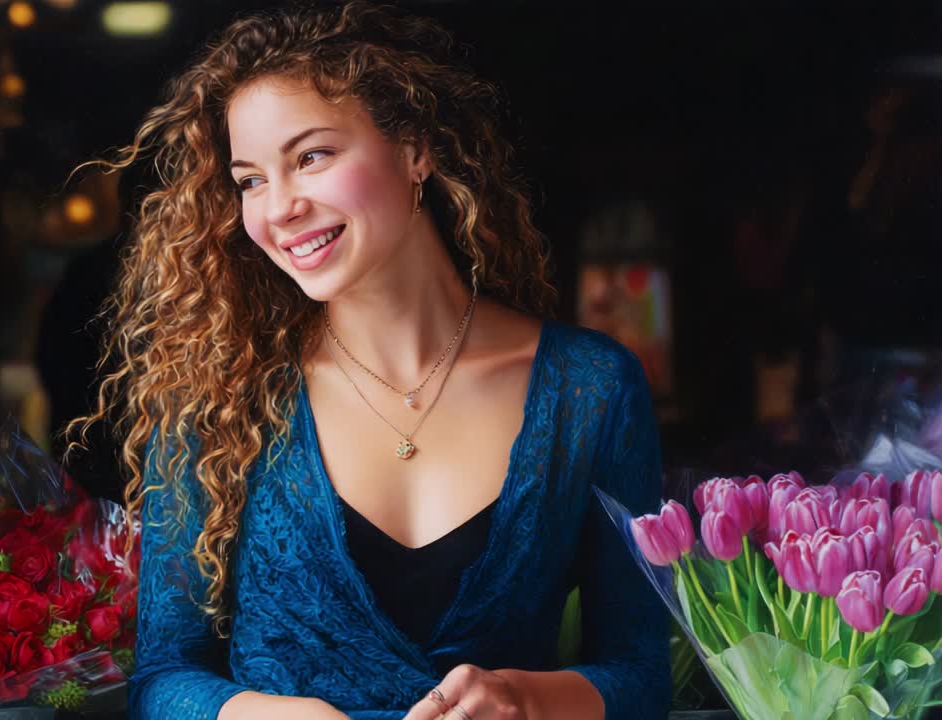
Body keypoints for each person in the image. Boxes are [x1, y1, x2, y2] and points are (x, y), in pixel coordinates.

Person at [64, 3, 670, 718]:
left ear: (415, 149)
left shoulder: (590, 389)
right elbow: (163, 678)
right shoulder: (218, 397)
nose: (278, 208)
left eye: (311, 156)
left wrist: (524, 698)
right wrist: (273, 715)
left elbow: (641, 674)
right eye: (250, 179)